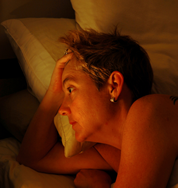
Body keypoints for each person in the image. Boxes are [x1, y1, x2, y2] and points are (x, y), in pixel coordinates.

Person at [16, 28, 178, 188]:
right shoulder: (110, 152)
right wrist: (53, 94)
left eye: (71, 90)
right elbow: (32, 159)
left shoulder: (151, 110)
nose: (62, 110)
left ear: (114, 86)